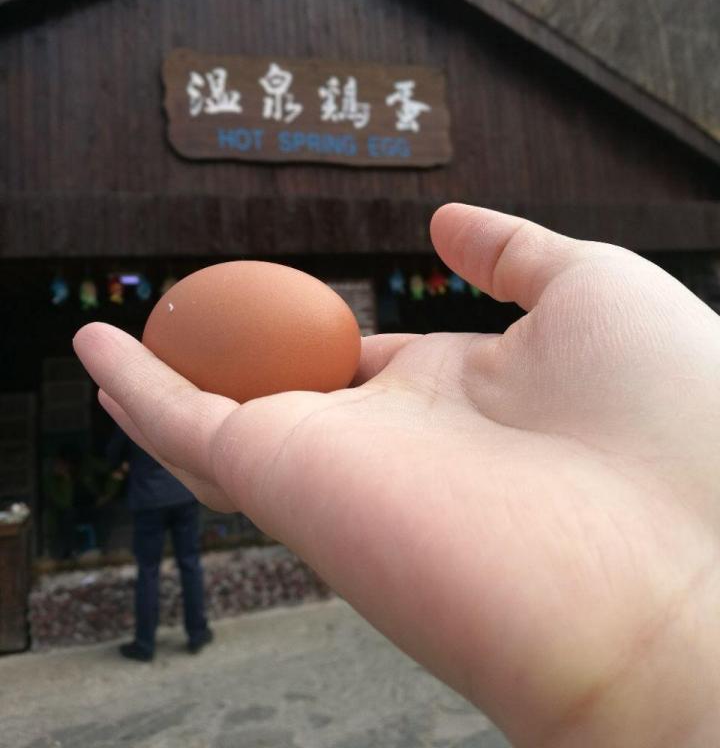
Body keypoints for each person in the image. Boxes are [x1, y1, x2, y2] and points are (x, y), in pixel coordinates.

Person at [73, 204, 720, 744]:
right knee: (185, 561)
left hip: (155, 496)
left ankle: (162, 633)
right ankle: (194, 628)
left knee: (165, 563)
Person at [106, 427, 213, 662]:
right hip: (183, 494)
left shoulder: (131, 417)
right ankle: (197, 633)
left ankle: (145, 643)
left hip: (148, 499)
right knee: (190, 564)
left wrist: (126, 465)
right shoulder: (178, 414)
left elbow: (112, 455)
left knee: (148, 570)